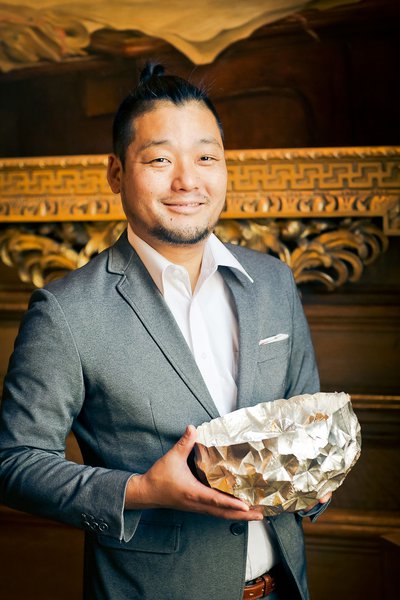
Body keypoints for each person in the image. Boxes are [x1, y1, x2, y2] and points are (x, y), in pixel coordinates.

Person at [0, 64, 330, 600]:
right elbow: (13, 462)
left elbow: (308, 418)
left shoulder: (272, 281)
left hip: (285, 587)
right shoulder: (65, 311)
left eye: (206, 157)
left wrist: (313, 480)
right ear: (116, 173)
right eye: (159, 159)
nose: (187, 180)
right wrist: (140, 491)